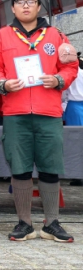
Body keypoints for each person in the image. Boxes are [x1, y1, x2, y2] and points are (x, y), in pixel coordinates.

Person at [0, 0, 78, 242]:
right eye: (21, 1)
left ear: (39, 7)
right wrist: (3, 84)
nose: (26, 5)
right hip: (15, 112)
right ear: (13, 7)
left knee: (50, 167)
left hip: (48, 112)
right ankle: (24, 223)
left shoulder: (57, 35)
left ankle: (52, 223)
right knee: (20, 167)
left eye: (31, 1)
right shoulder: (2, 36)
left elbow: (71, 66)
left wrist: (58, 79)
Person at [62, 53, 83, 186]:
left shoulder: (71, 75)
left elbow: (64, 94)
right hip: (77, 105)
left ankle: (78, 174)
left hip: (73, 106)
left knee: (75, 141)